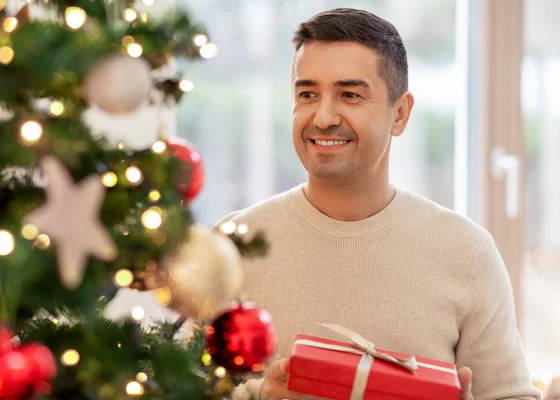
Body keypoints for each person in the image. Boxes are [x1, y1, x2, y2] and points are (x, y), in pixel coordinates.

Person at [218, 8, 541, 400]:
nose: (323, 117)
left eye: (350, 95)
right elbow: (172, 387)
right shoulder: (233, 246)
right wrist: (256, 396)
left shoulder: (466, 251)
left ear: (400, 114)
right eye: (308, 94)